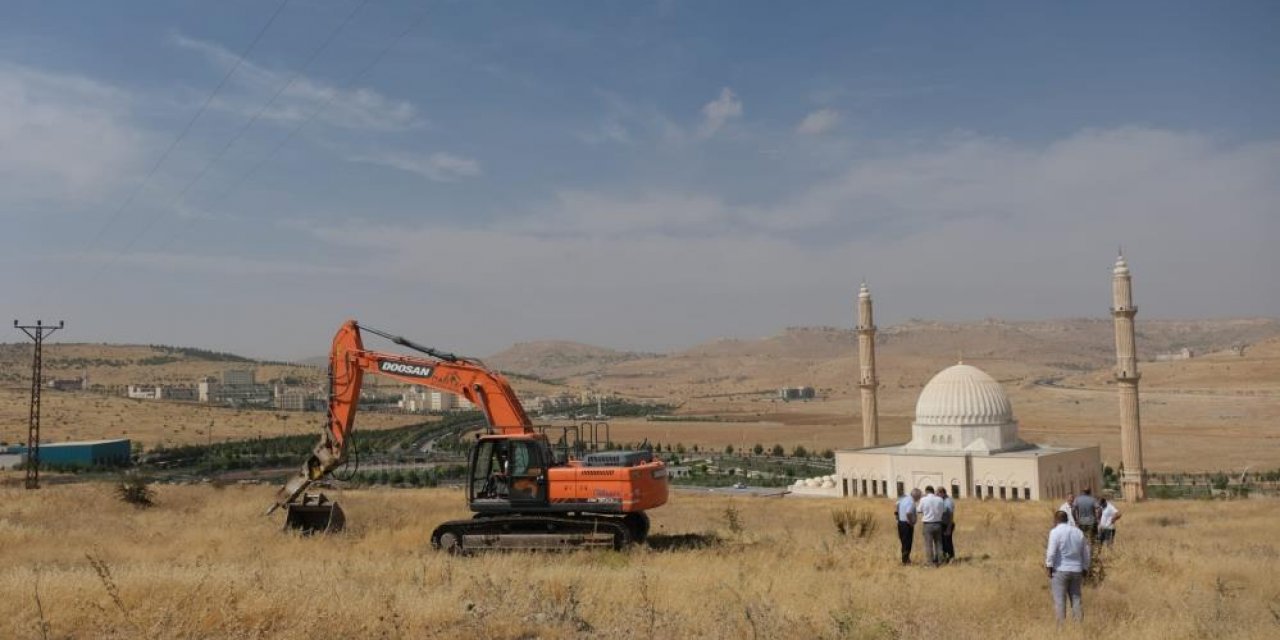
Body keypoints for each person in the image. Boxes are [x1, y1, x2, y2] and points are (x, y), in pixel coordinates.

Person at [1045, 510, 1091, 624]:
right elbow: (1086, 551)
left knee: (1060, 601)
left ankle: (1061, 629)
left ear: (1056, 520)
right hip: (1076, 570)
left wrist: (1049, 566)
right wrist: (1085, 567)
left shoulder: (1055, 532)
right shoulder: (1078, 532)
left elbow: (1051, 552)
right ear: (1067, 519)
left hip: (1060, 570)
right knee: (1076, 599)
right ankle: (1079, 626)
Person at [917, 486, 946, 566]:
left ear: (926, 491)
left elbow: (919, 510)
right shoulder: (940, 499)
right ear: (933, 491)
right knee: (939, 544)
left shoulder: (923, 499)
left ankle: (930, 563)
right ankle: (940, 561)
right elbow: (943, 511)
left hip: (928, 524)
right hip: (938, 524)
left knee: (928, 545)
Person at [895, 489, 920, 564]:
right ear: (916, 496)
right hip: (907, 524)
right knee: (907, 543)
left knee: (903, 542)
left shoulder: (904, 499)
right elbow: (908, 513)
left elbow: (897, 506)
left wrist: (897, 516)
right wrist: (911, 522)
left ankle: (905, 559)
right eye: (919, 497)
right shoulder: (911, 502)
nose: (919, 499)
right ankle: (905, 561)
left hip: (900, 523)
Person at [938, 487, 956, 562]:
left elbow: (951, 515)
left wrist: (949, 527)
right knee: (943, 542)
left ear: (942, 493)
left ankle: (951, 557)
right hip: (943, 524)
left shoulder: (948, 501)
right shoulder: (943, 500)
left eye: (938, 493)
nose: (937, 495)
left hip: (947, 524)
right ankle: (945, 557)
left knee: (948, 542)